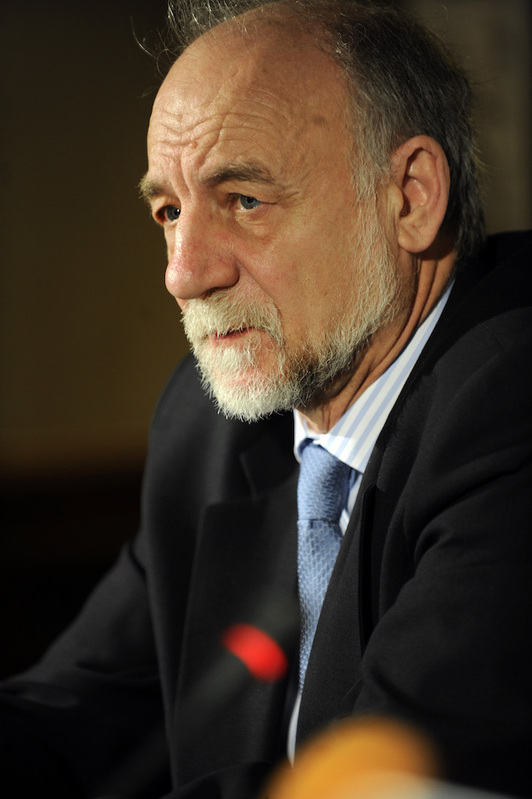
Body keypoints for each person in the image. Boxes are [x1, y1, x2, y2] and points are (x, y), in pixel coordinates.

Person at [1, 1, 531, 797]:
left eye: (244, 200)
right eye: (169, 212)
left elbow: (386, 781)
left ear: (411, 197)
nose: (183, 273)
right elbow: (77, 711)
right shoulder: (209, 427)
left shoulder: (511, 395)